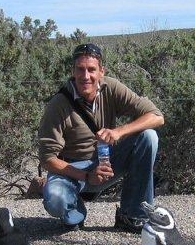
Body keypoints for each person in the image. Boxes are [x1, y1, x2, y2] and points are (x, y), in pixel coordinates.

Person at [37, 42, 165, 232]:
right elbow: (47, 159)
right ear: (73, 71)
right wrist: (87, 176)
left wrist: (118, 132)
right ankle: (74, 213)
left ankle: (132, 215)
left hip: (107, 163)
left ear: (101, 71)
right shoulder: (58, 104)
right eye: (80, 69)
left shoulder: (111, 88)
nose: (85, 76)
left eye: (91, 69)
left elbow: (157, 117)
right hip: (72, 170)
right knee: (56, 199)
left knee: (148, 137)